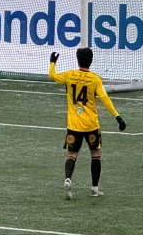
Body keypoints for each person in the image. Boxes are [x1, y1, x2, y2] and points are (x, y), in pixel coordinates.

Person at [49, 47, 126, 199]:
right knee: (95, 154)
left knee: (72, 154)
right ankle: (95, 189)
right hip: (91, 125)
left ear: (78, 60)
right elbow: (105, 99)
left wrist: (52, 62)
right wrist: (117, 117)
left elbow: (52, 76)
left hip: (74, 125)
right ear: (91, 61)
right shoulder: (95, 79)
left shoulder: (70, 75)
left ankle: (68, 178)